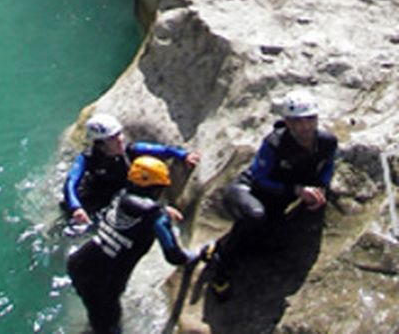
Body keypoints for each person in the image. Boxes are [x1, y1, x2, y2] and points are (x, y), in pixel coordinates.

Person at [206, 89, 338, 301]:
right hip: (249, 191)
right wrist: (296, 190)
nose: (305, 127)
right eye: (298, 122)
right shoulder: (275, 144)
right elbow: (260, 178)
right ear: (288, 122)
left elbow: (328, 165)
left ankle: (220, 247)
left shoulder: (326, 142)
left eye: (310, 120)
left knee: (269, 243)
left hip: (277, 197)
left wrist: (321, 186)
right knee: (255, 216)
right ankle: (220, 265)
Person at [67, 156, 199, 334]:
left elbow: (136, 208)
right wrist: (199, 254)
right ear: (156, 188)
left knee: (98, 314)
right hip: (102, 280)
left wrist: (162, 211)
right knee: (109, 325)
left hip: (80, 262)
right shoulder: (155, 216)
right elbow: (174, 256)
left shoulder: (122, 195)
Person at [62, 113, 200, 225]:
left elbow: (162, 150)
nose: (120, 139)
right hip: (92, 202)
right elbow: (70, 183)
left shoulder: (130, 151)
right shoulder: (87, 159)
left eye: (119, 134)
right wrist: (76, 208)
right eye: (113, 138)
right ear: (100, 145)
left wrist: (184, 155)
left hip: (121, 200)